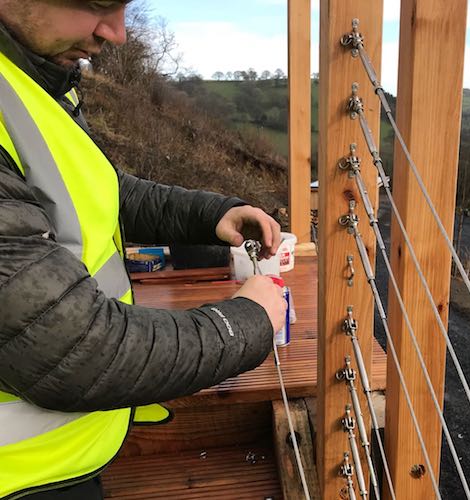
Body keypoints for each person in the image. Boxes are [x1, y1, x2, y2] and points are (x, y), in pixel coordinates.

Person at [0, 1, 287, 498]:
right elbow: (79, 352)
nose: (118, 33)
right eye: (96, 4)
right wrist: (249, 319)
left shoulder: (27, 80)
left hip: (68, 449)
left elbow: (92, 188)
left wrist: (210, 214)